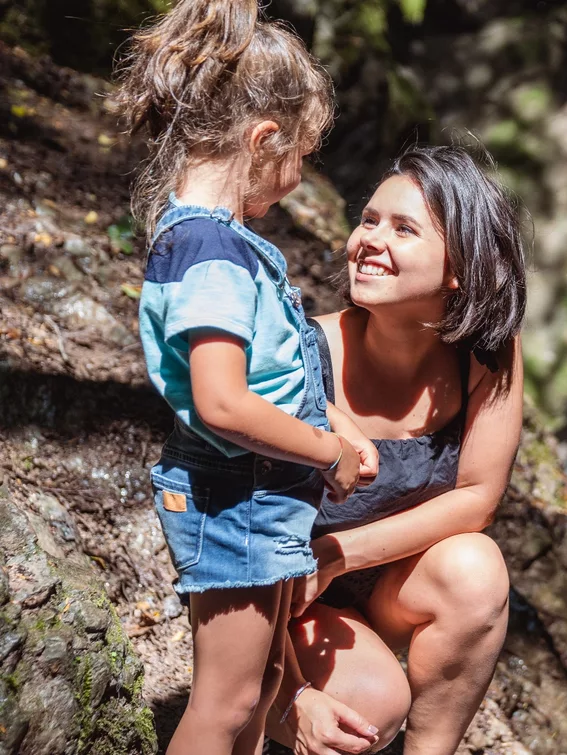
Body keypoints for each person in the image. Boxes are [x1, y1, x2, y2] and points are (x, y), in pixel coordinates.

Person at [115, 2, 379, 753]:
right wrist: (324, 450)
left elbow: (266, 372)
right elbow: (222, 398)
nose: (299, 177)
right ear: (263, 140)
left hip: (255, 496)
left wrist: (334, 425)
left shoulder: (212, 242)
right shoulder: (210, 250)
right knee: (226, 703)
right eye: (301, 156)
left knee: (261, 690)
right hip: (235, 498)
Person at [264, 145, 527, 755]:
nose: (368, 240)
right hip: (278, 597)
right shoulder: (299, 357)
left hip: (370, 582)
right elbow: (238, 535)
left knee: (475, 570)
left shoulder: (487, 354)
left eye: (403, 228)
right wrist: (293, 696)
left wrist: (335, 555)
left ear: (460, 267)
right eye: (369, 220)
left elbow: (477, 499)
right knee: (369, 709)